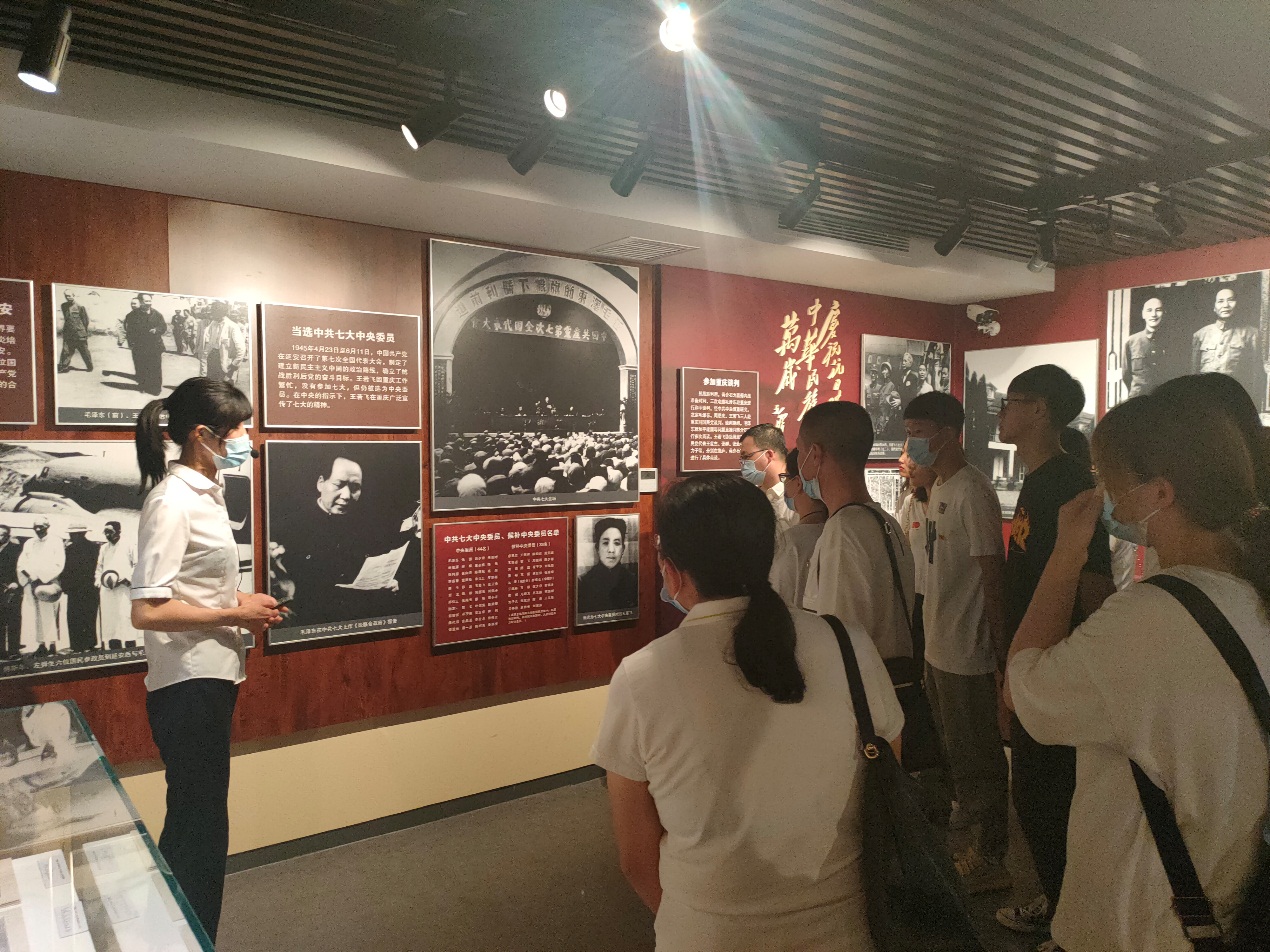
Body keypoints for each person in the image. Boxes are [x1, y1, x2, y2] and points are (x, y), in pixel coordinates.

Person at [1006, 389, 1270, 952]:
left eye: (1109, 480)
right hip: (1230, 906)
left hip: (1142, 923)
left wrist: (1066, 554)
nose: (1103, 497)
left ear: (1160, 493)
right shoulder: (1251, 594)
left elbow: (1024, 692)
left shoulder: (1151, 616)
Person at [593, 474, 903, 952]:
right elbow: (889, 779)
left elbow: (636, 859)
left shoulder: (640, 677)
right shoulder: (848, 645)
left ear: (671, 570)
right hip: (848, 931)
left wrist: (700, 917)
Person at [131, 376, 283, 943]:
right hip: (188, 684)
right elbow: (148, 610)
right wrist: (234, 614)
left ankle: (179, 937)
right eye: (238, 428)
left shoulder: (207, 492)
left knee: (199, 823)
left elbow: (194, 588)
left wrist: (242, 602)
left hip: (211, 676)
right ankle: (185, 938)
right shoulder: (172, 502)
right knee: (199, 829)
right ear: (202, 434)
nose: (247, 439)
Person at [992, 367, 1116, 943]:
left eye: (1011, 402)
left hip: (1057, 665)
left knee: (1048, 797)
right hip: (1032, 658)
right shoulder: (1039, 479)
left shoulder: (1066, 482)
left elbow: (1092, 583)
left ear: (1040, 409)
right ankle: (1058, 901)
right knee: (1033, 793)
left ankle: (1073, 921)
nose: (1002, 413)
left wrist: (1082, 665)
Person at [902, 391, 1010, 894]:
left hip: (968, 647)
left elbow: (992, 574)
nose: (911, 444)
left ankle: (990, 857)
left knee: (978, 757)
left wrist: (1002, 654)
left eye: (918, 433)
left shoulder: (973, 491)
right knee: (953, 751)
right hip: (937, 642)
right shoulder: (938, 488)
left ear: (947, 434)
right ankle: (967, 843)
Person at [798, 401, 915, 668]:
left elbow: (839, 641)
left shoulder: (843, 530)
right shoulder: (885, 521)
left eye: (801, 451)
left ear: (814, 454)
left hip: (861, 685)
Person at [768, 447, 827, 608]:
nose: (784, 484)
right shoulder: (834, 531)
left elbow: (778, 598)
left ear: (798, 483)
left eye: (786, 477)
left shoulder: (790, 542)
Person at [1191, 287, 1262, 393]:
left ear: (1237, 304)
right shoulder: (1200, 334)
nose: (1225, 305)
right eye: (1220, 301)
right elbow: (1194, 373)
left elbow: (1256, 373)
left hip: (1235, 394)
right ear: (1214, 307)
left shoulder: (1252, 334)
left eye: (1230, 300)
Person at [17, 518, 66, 658]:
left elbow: (59, 564)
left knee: (48, 613)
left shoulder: (56, 541)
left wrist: (41, 578)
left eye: (41, 527)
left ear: (47, 527)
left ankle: (51, 645)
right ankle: (40, 645)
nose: (38, 530)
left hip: (47, 583)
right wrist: (30, 578)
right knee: (33, 615)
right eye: (35, 527)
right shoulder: (29, 543)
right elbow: (21, 564)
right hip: (30, 584)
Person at [738, 423, 797, 533]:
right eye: (741, 458)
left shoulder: (796, 495)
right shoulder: (751, 497)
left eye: (746, 456)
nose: (743, 463)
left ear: (769, 455)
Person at [577, 517, 638, 616]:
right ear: (597, 547)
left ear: (623, 548)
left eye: (617, 543)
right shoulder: (584, 582)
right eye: (605, 543)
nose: (611, 550)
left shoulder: (633, 580)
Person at [95, 521, 134, 649]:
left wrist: (127, 579)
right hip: (107, 589)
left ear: (118, 532)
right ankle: (114, 647)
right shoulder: (103, 548)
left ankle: (130, 647)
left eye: (110, 532)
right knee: (110, 619)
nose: (107, 535)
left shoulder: (129, 545)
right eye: (105, 532)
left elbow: (137, 564)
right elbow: (99, 568)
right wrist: (99, 581)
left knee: (125, 616)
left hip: (124, 588)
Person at [62, 526, 101, 653]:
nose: (70, 536)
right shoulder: (70, 549)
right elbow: (65, 569)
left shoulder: (94, 548)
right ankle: (79, 645)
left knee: (86, 616)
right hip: (77, 589)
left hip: (87, 589)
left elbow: (97, 568)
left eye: (73, 534)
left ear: (81, 534)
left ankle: (85, 644)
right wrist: (65, 586)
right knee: (76, 616)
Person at [1121, 296, 1166, 398]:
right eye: (1149, 310)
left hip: (1163, 398)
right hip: (1138, 399)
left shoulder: (1171, 341)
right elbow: (1126, 375)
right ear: (1143, 314)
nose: (1154, 314)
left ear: (1164, 313)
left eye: (1158, 310)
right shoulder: (1131, 341)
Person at [124, 293, 168, 396]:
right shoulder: (132, 315)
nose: (149, 303)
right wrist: (131, 343)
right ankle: (143, 386)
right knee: (141, 367)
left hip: (155, 346)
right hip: (139, 346)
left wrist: (156, 330)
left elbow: (163, 327)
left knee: (155, 368)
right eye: (146, 301)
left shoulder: (157, 314)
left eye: (150, 301)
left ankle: (156, 389)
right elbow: (129, 331)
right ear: (140, 302)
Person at [57, 290, 94, 374]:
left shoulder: (80, 307)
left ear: (74, 295)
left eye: (70, 295)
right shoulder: (63, 306)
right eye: (66, 296)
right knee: (66, 350)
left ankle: (89, 366)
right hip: (68, 333)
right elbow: (67, 319)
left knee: (84, 351)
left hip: (79, 334)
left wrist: (82, 331)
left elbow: (85, 321)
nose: (68, 297)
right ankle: (63, 366)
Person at [0, 527, 22, 660]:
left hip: (12, 588)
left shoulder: (16, 549)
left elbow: (21, 568)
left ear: (8, 536)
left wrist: (16, 582)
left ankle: (14, 651)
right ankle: (1, 651)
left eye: (1, 535)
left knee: (13, 620)